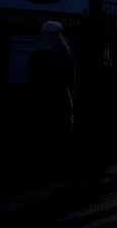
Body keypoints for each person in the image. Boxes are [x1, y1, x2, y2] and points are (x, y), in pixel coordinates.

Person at [28, 21, 75, 151]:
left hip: (42, 101)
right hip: (62, 100)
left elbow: (34, 79)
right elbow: (71, 81)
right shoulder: (67, 55)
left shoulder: (36, 55)